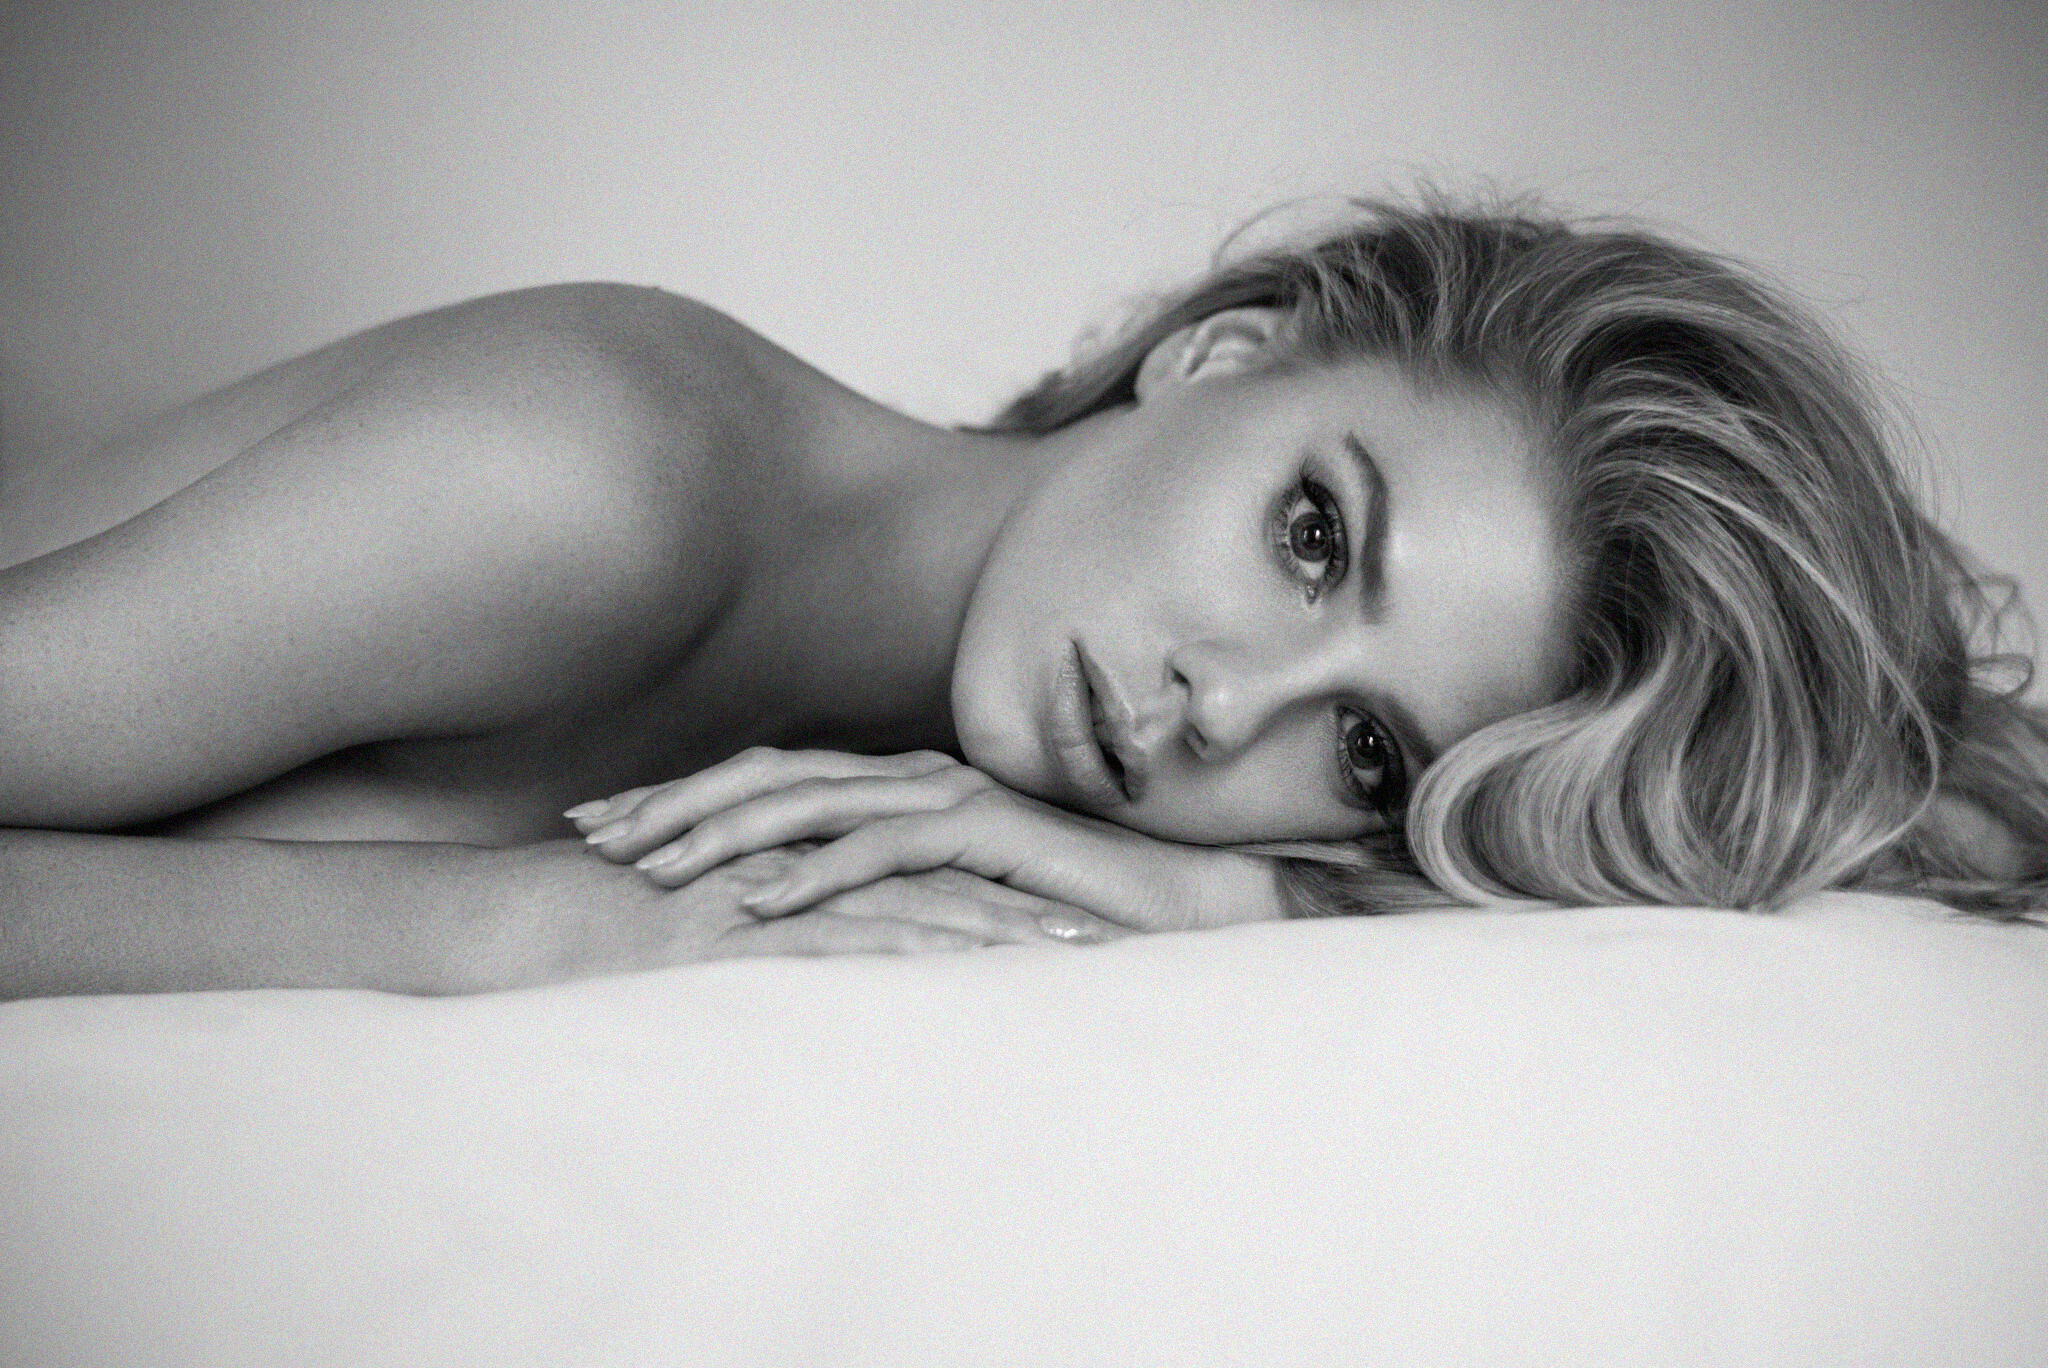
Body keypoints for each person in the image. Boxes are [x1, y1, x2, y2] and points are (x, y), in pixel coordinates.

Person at [2, 192, 2042, 1000]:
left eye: (1363, 745)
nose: (1219, 707)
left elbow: (1913, 827)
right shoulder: (599, 482)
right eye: (1312, 536)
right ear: (1221, 355)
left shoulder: (953, 785)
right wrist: (530, 921)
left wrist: (1231, 899)